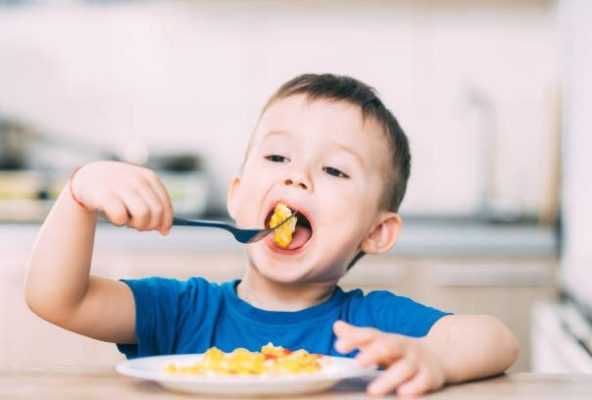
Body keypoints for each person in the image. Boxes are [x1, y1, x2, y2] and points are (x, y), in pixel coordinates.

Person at [25, 73, 518, 396]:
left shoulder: (369, 326)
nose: (296, 177)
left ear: (378, 232)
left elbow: (497, 339)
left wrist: (435, 356)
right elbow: (57, 299)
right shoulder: (185, 313)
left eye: (333, 170)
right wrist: (78, 195)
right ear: (238, 196)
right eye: (277, 158)